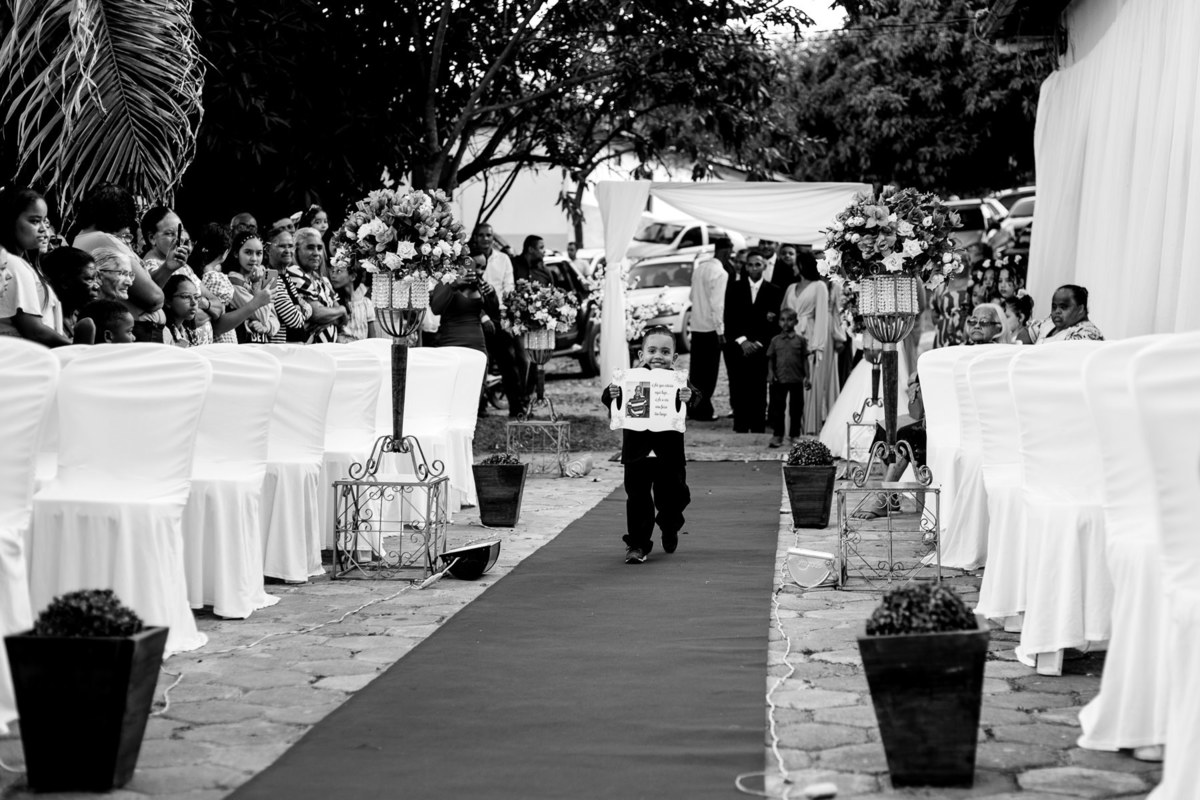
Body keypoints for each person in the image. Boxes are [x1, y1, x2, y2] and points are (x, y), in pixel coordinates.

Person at [601, 326, 699, 564]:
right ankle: (637, 544)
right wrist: (611, 393)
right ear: (641, 355)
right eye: (652, 350)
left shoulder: (678, 380)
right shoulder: (630, 378)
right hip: (637, 452)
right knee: (637, 499)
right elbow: (610, 399)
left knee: (675, 497)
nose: (658, 356)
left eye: (665, 352)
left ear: (674, 357)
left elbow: (696, 396)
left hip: (670, 453)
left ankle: (669, 525)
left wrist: (690, 397)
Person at [73, 184, 163, 317]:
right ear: (118, 215)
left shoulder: (80, 238)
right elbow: (154, 298)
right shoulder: (105, 240)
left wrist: (167, 268)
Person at [0, 187, 70, 346]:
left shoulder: (22, 263)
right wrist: (78, 348)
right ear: (9, 220)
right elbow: (35, 331)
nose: (43, 230)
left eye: (44, 221)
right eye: (34, 221)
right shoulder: (10, 264)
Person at [853, 372, 927, 520]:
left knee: (906, 434)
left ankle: (883, 497)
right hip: (921, 411)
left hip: (937, 418)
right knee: (884, 427)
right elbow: (911, 378)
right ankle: (891, 497)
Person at [723, 250, 783, 433]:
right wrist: (742, 341)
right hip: (739, 345)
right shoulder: (734, 287)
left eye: (758, 264)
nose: (754, 268)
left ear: (764, 266)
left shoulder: (774, 290)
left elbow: (775, 322)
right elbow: (729, 317)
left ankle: (758, 425)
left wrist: (758, 342)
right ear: (745, 266)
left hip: (761, 346)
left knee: (758, 386)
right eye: (750, 264)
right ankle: (740, 424)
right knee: (739, 385)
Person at [782, 251, 836, 434]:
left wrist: (817, 346)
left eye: (796, 263)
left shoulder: (819, 286)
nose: (793, 267)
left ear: (802, 265)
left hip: (810, 336)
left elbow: (822, 317)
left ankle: (810, 426)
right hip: (790, 339)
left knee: (809, 382)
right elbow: (784, 312)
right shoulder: (790, 288)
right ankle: (792, 427)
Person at [271, 225, 344, 343]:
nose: (316, 253)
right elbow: (317, 313)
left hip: (329, 350)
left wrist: (335, 315)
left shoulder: (323, 280)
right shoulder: (294, 273)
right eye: (310, 247)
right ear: (296, 250)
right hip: (307, 350)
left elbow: (343, 319)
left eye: (319, 248)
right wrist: (341, 310)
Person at [686, 240, 729, 422]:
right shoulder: (720, 273)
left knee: (696, 371)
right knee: (709, 372)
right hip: (711, 328)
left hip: (696, 326)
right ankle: (703, 409)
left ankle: (693, 408)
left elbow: (690, 296)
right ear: (725, 252)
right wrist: (721, 331)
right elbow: (717, 304)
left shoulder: (700, 269)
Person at [431, 256, 500, 354]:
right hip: (451, 342)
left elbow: (494, 312)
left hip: (477, 344)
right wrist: (453, 285)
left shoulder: (481, 285)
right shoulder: (447, 281)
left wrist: (492, 294)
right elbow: (436, 309)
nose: (480, 271)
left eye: (483, 268)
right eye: (477, 266)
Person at [224, 230, 280, 343]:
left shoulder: (255, 279)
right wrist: (257, 284)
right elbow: (262, 315)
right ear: (236, 253)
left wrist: (266, 327)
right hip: (241, 348)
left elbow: (275, 319)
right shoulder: (233, 282)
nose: (254, 259)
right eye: (248, 252)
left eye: (259, 253)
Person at [766, 307, 810, 448]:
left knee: (796, 409)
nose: (786, 323)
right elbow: (771, 358)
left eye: (790, 320)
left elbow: (805, 359)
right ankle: (777, 435)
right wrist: (771, 373)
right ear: (779, 322)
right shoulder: (775, 341)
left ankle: (794, 435)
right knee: (778, 408)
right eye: (783, 320)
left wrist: (807, 377)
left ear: (796, 322)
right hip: (779, 379)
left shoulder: (801, 341)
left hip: (796, 379)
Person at [42, 246, 101, 342]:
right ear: (65, 282)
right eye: (89, 279)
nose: (96, 286)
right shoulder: (47, 321)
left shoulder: (87, 316)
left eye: (96, 279)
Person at [1029, 284, 1104, 343]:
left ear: (1080, 309)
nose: (1057, 311)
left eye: (1063, 307)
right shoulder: (1049, 323)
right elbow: (1027, 333)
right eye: (1054, 307)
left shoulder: (1086, 334)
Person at [330, 258, 377, 342]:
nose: (333, 276)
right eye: (333, 271)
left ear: (352, 276)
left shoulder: (366, 303)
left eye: (339, 271)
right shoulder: (333, 302)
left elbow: (372, 338)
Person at [161, 273, 201, 347]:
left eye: (196, 297)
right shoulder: (163, 333)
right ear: (167, 302)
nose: (194, 302)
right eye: (185, 296)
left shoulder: (187, 333)